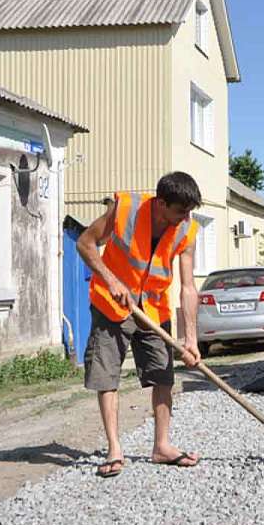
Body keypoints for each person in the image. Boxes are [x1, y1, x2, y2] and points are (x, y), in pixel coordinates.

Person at [76, 172, 204, 478]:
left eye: (189, 212)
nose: (185, 218)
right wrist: (111, 280)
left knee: (163, 374)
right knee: (106, 374)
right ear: (161, 203)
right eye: (180, 211)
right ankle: (114, 449)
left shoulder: (187, 230)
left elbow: (188, 287)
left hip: (154, 309)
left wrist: (191, 339)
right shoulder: (125, 210)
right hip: (112, 304)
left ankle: (162, 446)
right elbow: (85, 244)